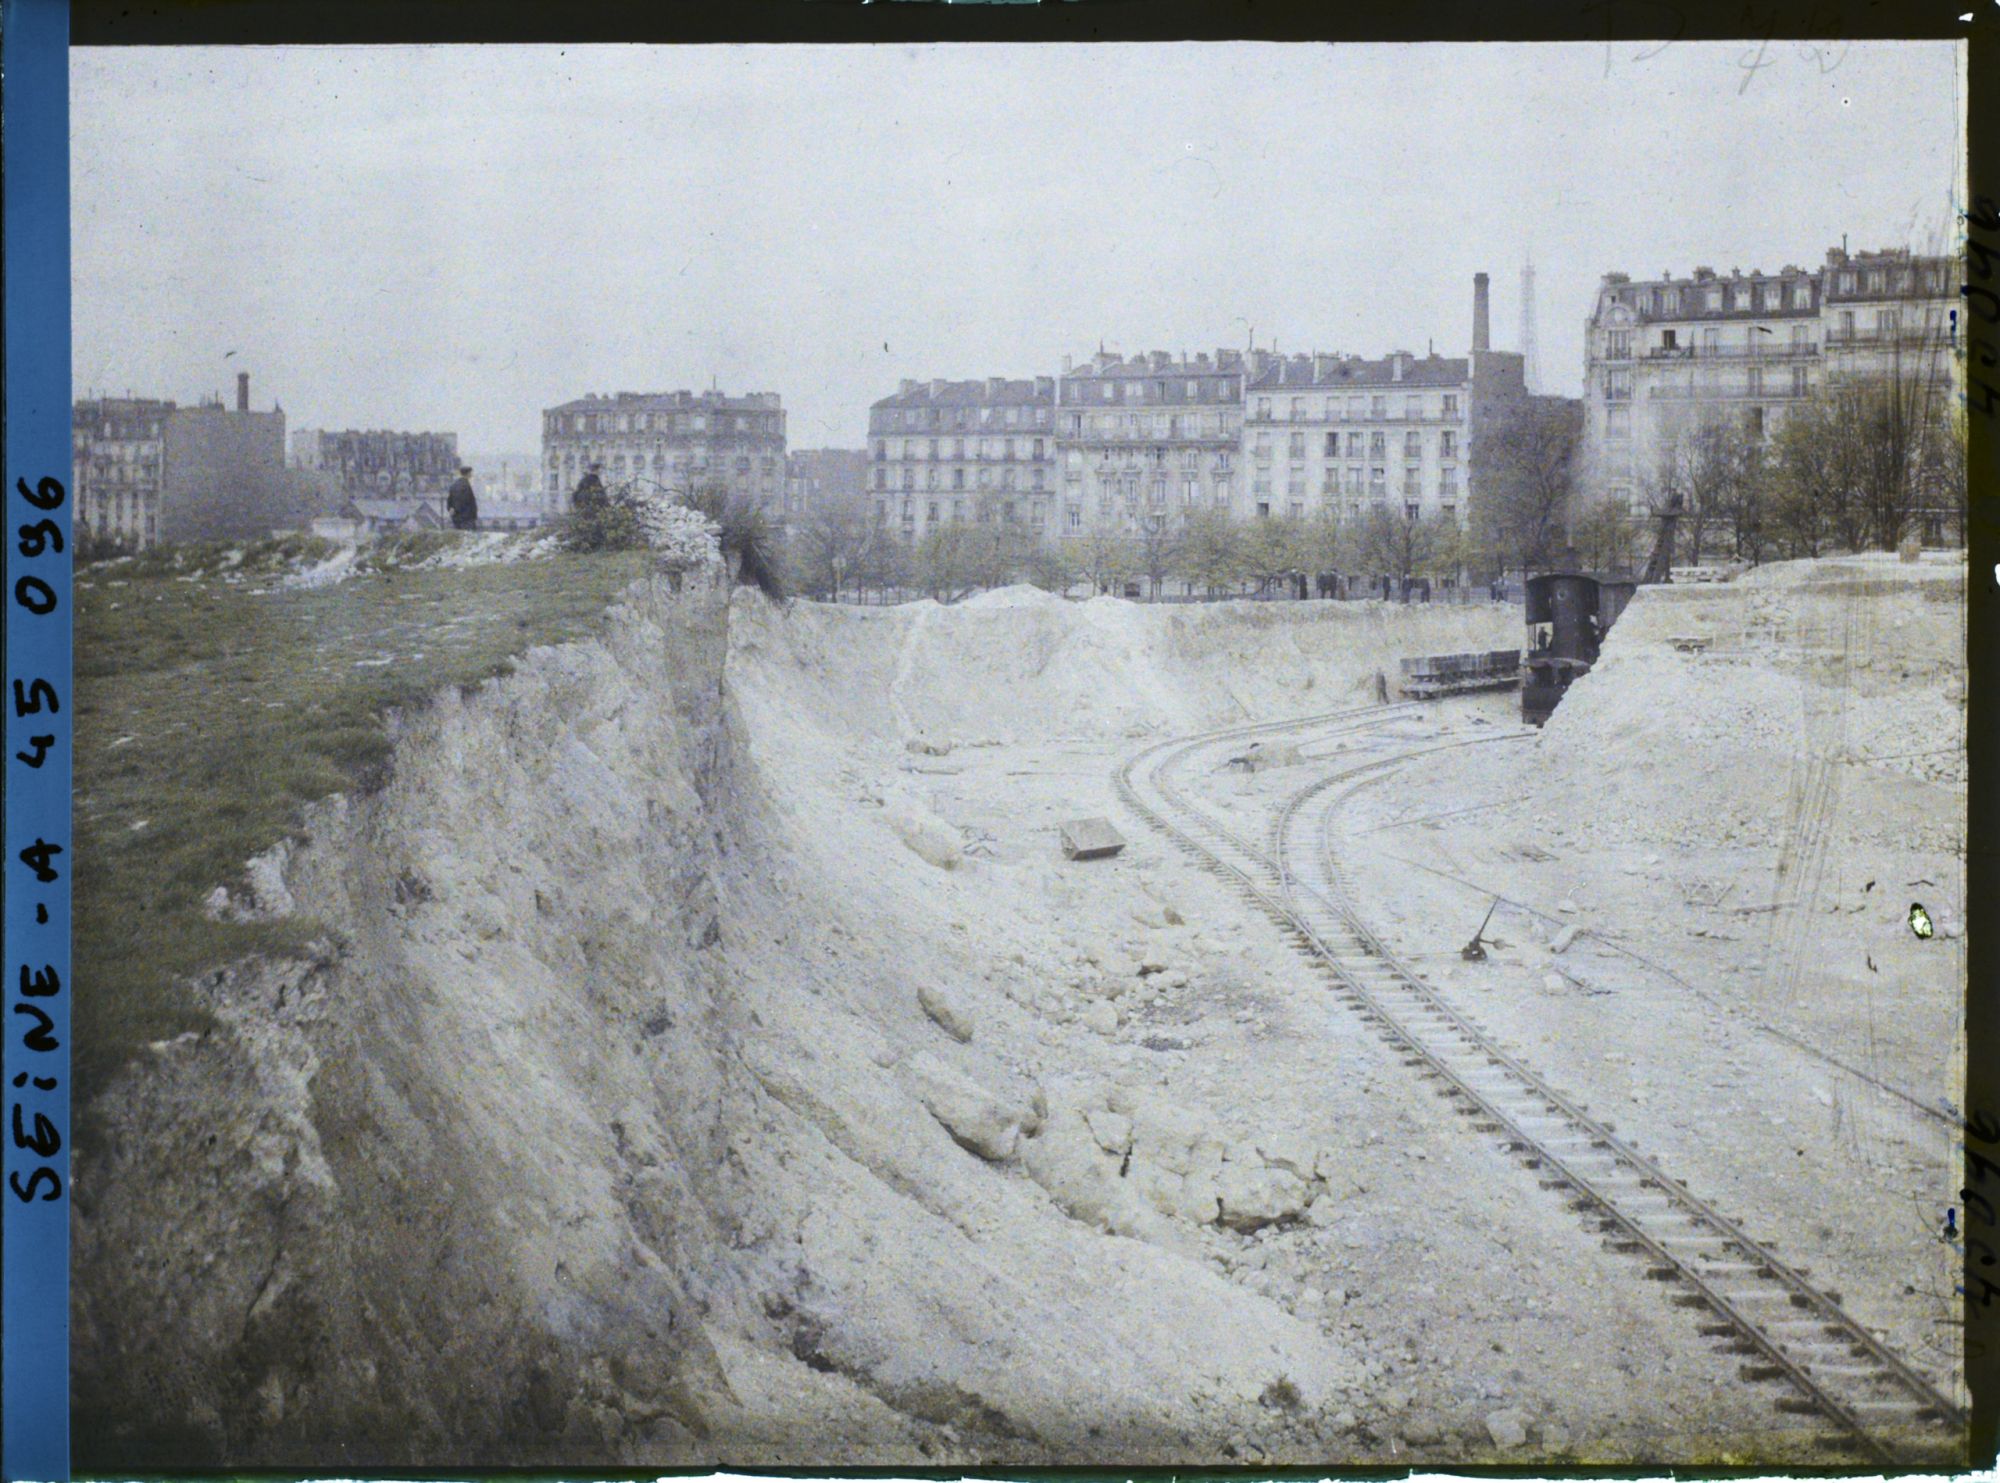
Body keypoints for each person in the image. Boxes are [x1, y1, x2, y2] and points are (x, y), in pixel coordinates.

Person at [445, 465, 479, 531]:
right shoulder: (465, 485)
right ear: (468, 473)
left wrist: (453, 511)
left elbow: (449, 501)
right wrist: (473, 514)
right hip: (466, 518)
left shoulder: (454, 485)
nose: (471, 474)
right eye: (471, 473)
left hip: (456, 517)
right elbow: (467, 501)